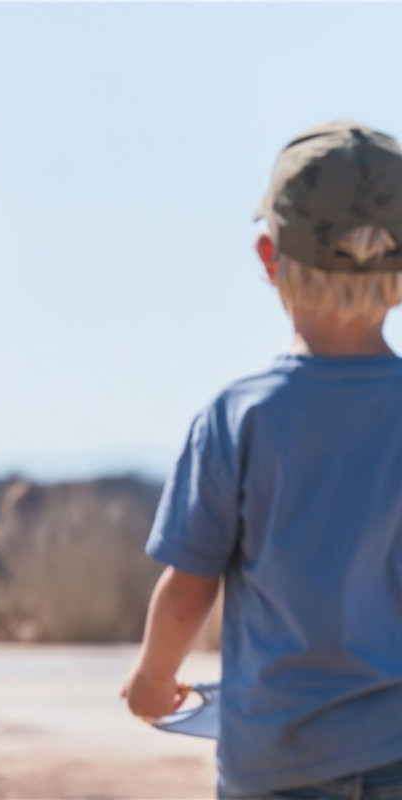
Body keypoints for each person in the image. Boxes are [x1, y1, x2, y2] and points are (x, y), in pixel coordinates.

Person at [121, 120, 402, 798]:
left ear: (269, 256)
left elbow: (190, 587)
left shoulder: (240, 416)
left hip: (281, 757)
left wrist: (153, 683)